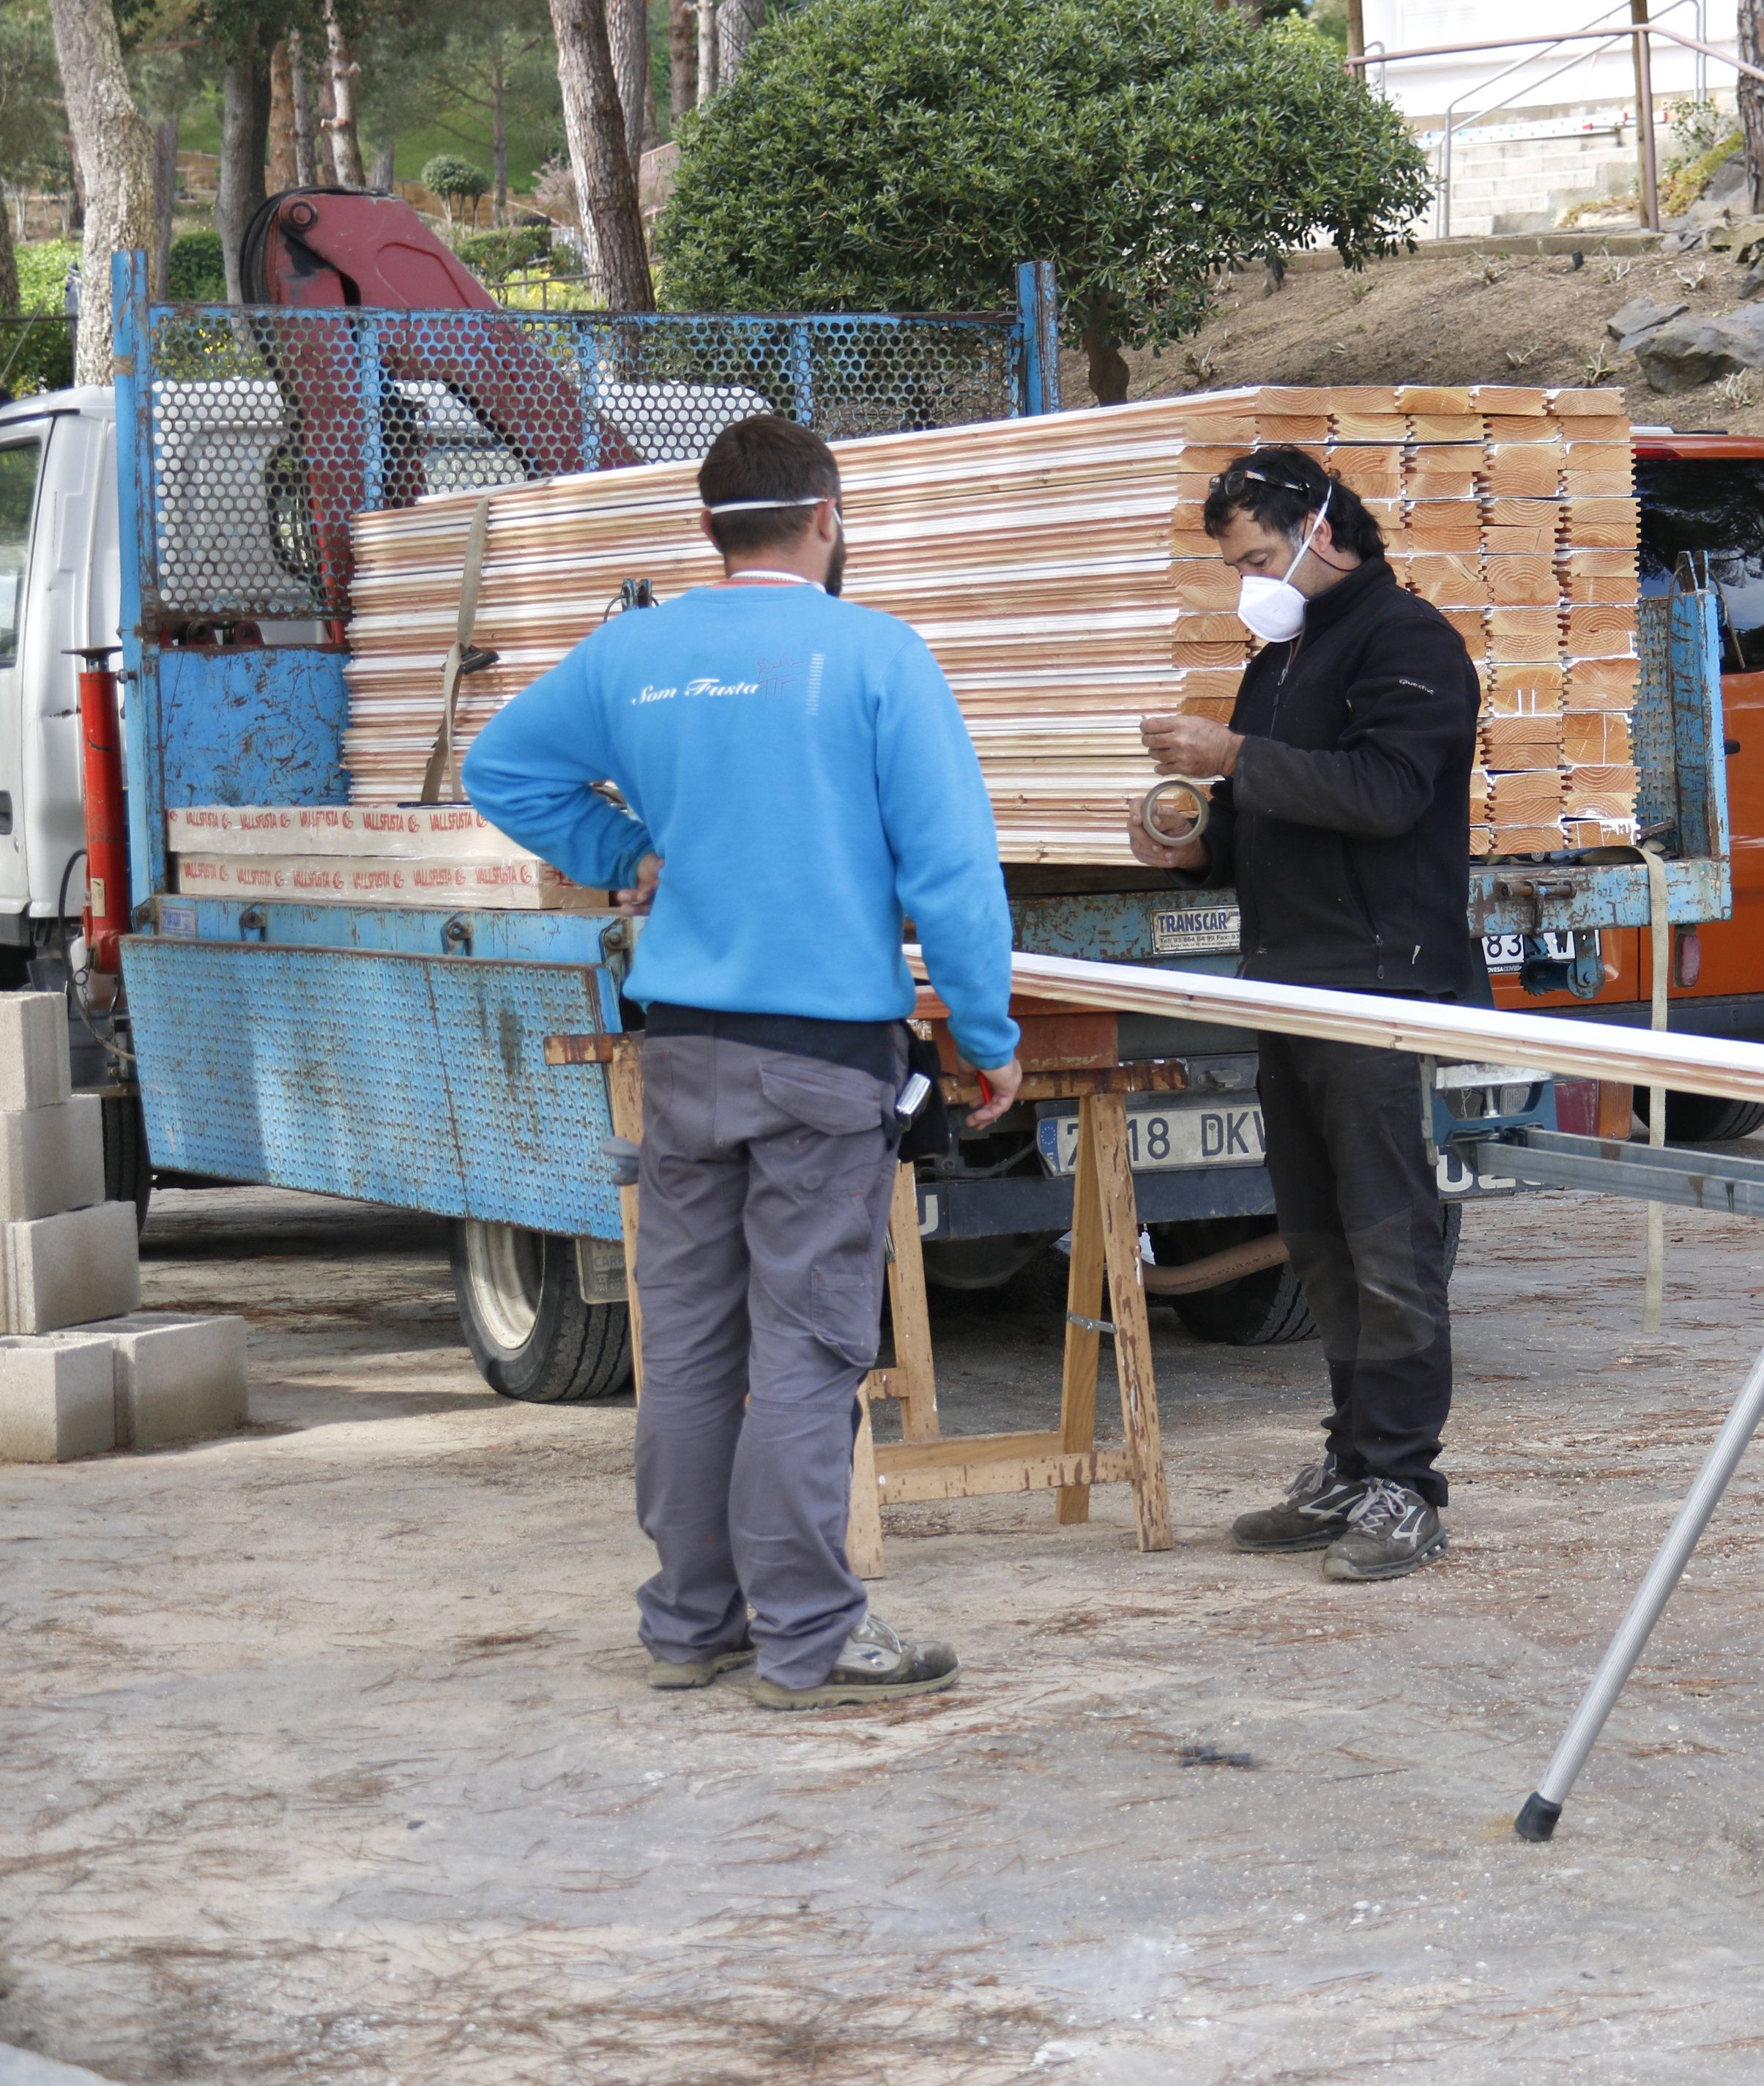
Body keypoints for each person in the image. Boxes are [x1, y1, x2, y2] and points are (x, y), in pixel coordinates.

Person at [465, 414, 1024, 1708]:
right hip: (823, 1058)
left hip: (687, 1053)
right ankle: (808, 1633)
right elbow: (952, 873)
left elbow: (503, 767)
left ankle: (690, 1623)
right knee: (810, 1349)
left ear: (712, 529)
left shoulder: (636, 654)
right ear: (828, 518)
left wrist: (624, 857)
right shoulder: (874, 654)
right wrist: (986, 1039)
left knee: (696, 1345)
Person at [1128, 446, 1484, 1584]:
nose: (1252, 581)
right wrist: (1190, 843)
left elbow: (1385, 795)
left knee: (1389, 1239)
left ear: (1327, 529)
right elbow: (1257, 820)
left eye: (1262, 557)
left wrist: (1236, 755)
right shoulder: (1280, 656)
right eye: (1238, 564)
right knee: (1322, 1238)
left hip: (1378, 983)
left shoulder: (1410, 645)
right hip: (1287, 976)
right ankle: (1351, 1455)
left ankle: (1404, 1483)